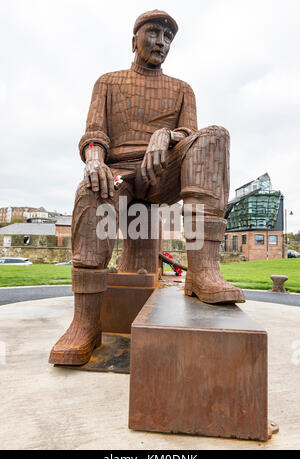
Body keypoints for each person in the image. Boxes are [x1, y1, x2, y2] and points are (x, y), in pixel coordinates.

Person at [49, 9, 245, 366]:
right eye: (154, 33)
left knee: (215, 137)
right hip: (120, 173)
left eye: (168, 37)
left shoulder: (182, 89)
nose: (161, 42)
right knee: (93, 191)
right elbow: (95, 135)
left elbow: (192, 136)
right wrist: (95, 160)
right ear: (134, 40)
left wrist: (166, 136)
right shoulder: (107, 82)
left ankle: (203, 271)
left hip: (164, 171)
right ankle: (85, 323)